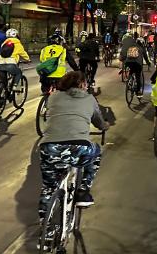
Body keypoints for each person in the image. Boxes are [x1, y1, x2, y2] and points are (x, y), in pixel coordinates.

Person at [39, 71, 108, 211]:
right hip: (79, 147)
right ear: (83, 84)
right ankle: (83, 190)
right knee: (96, 152)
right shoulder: (90, 99)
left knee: (48, 188)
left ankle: (45, 222)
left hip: (48, 147)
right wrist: (104, 126)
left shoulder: (53, 97)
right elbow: (99, 122)